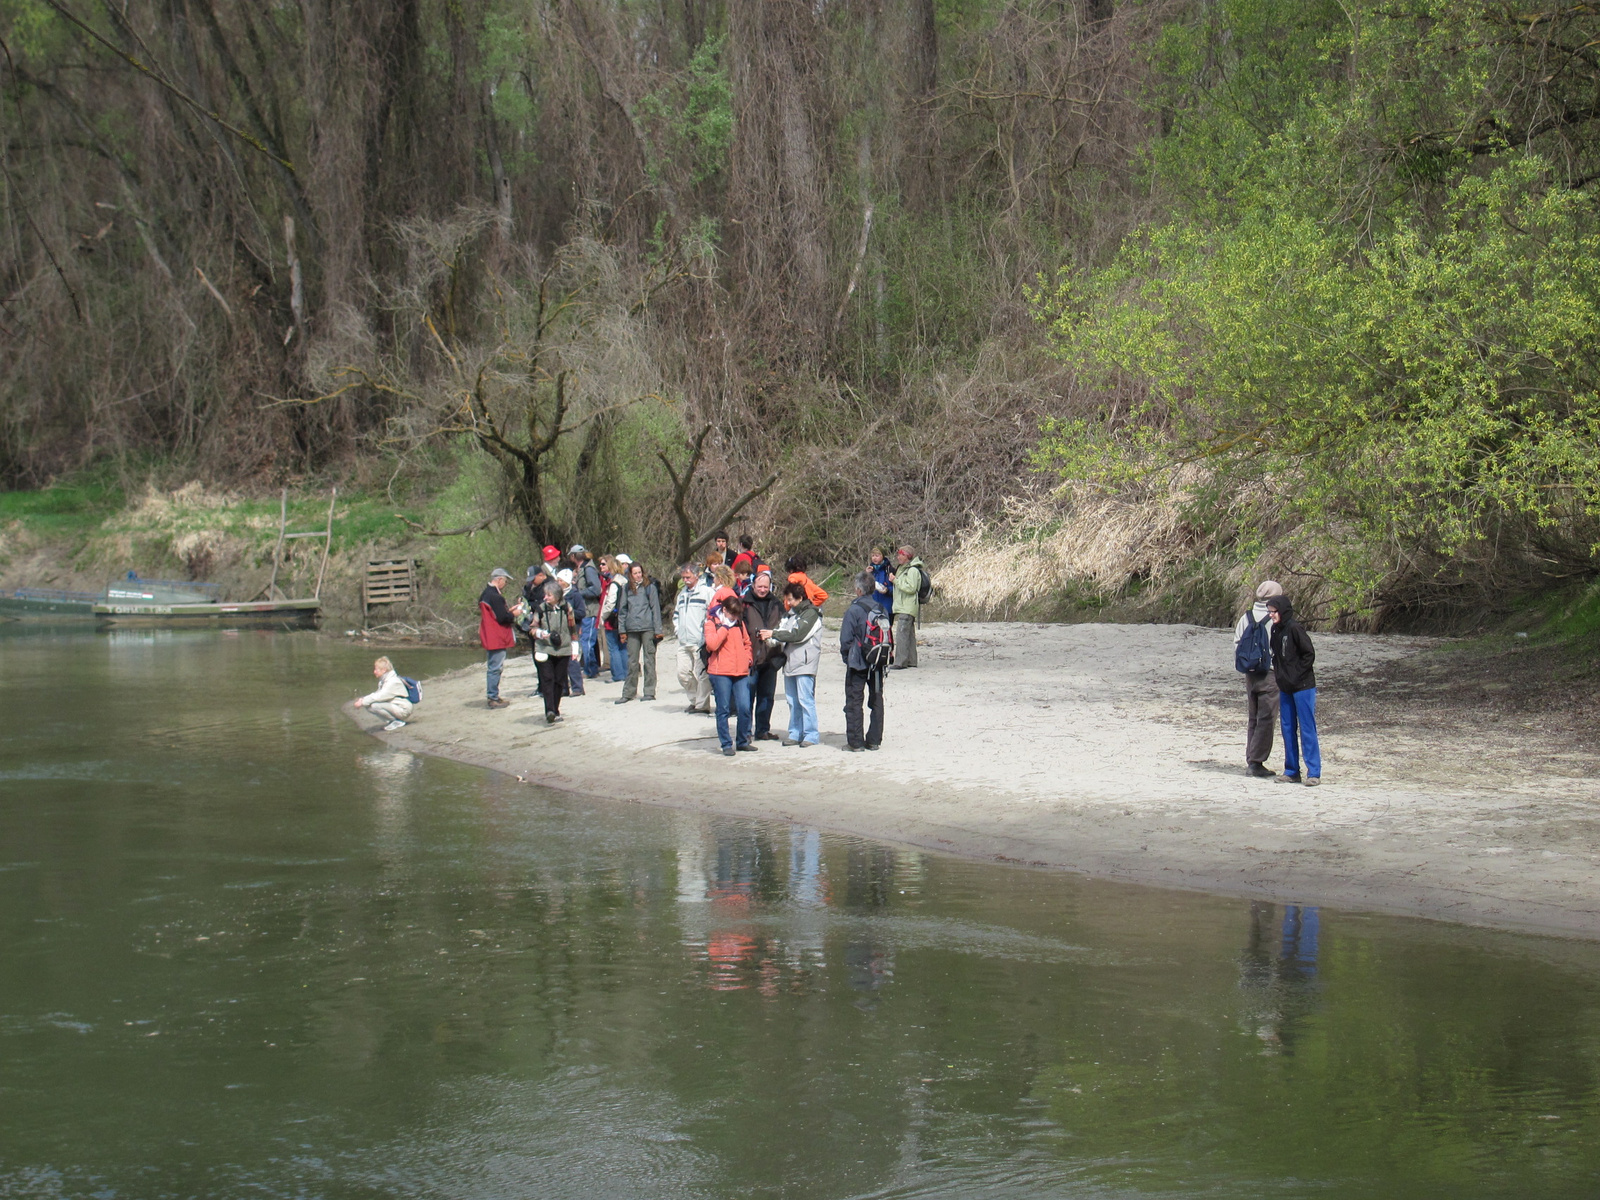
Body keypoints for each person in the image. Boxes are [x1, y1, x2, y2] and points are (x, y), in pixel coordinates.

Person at [1266, 594, 1320, 786]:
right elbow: (1276, 656)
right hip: (1285, 686)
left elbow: (1309, 654)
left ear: (1282, 611)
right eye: (1269, 612)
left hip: (1303, 686)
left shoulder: (1295, 628)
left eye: (1274, 612)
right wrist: (1281, 676)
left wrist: (1296, 675)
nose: (1271, 615)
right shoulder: (1275, 630)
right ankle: (1291, 771)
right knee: (1287, 728)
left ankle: (1313, 772)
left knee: (1307, 728)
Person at [764, 581, 822, 747]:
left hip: (805, 663)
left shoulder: (812, 614)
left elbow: (798, 635)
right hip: (790, 663)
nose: (788, 603)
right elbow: (781, 633)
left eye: (791, 599)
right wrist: (769, 638)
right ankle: (795, 732)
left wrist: (774, 633)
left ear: (800, 598)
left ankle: (811, 734)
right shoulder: (790, 614)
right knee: (792, 700)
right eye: (787, 599)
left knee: (805, 700)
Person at [1235, 581, 1283, 778]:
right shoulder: (1274, 619)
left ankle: (1251, 757)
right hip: (1269, 673)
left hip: (1250, 673)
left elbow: (1237, 644)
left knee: (1253, 717)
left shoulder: (1245, 617)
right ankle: (1256, 762)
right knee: (1266, 718)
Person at [839, 570, 889, 751]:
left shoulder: (853, 610)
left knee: (854, 701)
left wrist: (847, 657)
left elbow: (845, 640)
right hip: (877, 660)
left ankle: (856, 742)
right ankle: (874, 740)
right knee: (876, 700)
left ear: (858, 590)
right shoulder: (881, 608)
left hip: (858, 662)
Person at [704, 593, 755, 755]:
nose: (734, 617)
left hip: (740, 670)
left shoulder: (739, 623)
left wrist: (748, 659)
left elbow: (747, 642)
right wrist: (725, 627)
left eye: (737, 614)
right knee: (723, 709)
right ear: (724, 610)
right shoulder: (711, 623)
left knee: (744, 707)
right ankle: (726, 744)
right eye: (732, 613)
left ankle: (742, 741)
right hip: (720, 672)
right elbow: (712, 644)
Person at [741, 568, 785, 740]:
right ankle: (745, 731)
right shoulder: (744, 603)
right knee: (747, 699)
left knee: (767, 697)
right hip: (751, 657)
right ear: (753, 585)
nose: (762, 589)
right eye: (759, 586)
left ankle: (762, 730)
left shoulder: (777, 604)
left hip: (771, 657)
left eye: (765, 587)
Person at [530, 579, 577, 724]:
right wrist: (539, 633)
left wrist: (575, 647)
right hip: (544, 648)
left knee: (559, 681)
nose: (545, 598)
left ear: (557, 596)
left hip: (563, 649)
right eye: (545, 595)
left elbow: (572, 629)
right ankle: (549, 710)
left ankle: (555, 709)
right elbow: (532, 628)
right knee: (547, 679)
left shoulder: (567, 608)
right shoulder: (541, 609)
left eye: (548, 595)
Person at [615, 560, 663, 703]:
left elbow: (655, 609)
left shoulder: (650, 588)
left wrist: (658, 630)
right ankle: (628, 692)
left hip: (648, 628)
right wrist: (622, 630)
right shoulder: (625, 589)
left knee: (649, 660)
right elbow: (622, 610)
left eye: (639, 572)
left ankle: (649, 691)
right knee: (632, 662)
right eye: (635, 573)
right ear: (630, 574)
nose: (638, 575)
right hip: (632, 628)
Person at [673, 562, 714, 714]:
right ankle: (694, 699)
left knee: (702, 674)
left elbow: (712, 614)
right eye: (683, 577)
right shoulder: (682, 594)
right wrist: (677, 630)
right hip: (684, 641)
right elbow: (676, 615)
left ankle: (702, 705)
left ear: (697, 575)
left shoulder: (706, 592)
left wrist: (706, 635)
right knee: (682, 673)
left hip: (699, 641)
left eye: (688, 577)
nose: (685, 580)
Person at [478, 567, 522, 709]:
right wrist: (515, 613)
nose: (505, 584)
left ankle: (493, 695)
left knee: (493, 666)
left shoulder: (486, 594)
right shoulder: (496, 597)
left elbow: (496, 614)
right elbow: (503, 618)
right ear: (499, 579)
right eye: (505, 581)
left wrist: (508, 611)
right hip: (496, 636)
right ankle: (493, 697)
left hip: (489, 634)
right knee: (495, 668)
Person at [354, 656, 413, 731]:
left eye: (376, 669)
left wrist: (362, 702)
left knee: (374, 705)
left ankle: (396, 721)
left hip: (403, 709)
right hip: (397, 706)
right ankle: (392, 721)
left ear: (384, 670)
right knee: (369, 705)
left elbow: (380, 696)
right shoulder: (384, 681)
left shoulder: (392, 682)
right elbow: (378, 694)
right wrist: (363, 700)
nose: (374, 672)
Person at [890, 545, 925, 669]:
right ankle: (911, 660)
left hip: (907, 606)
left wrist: (895, 580)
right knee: (909, 634)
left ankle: (900, 662)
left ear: (907, 556)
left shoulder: (912, 571)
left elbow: (911, 588)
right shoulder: (904, 568)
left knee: (902, 634)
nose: (898, 557)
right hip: (906, 606)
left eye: (901, 554)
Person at [572, 545, 603, 679]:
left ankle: (591, 670)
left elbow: (596, 589)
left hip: (590, 611)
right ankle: (591, 668)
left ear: (573, 556)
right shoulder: (581, 569)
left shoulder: (589, 569)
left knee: (587, 641)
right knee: (585, 641)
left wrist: (579, 593)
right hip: (583, 611)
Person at [600, 554, 630, 683]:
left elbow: (610, 603)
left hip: (613, 620)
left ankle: (618, 674)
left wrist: (603, 616)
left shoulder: (614, 584)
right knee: (623, 646)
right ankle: (627, 672)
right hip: (624, 618)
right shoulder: (625, 581)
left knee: (613, 647)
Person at [557, 568, 587, 697]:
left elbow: (582, 612)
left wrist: (569, 611)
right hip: (558, 630)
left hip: (572, 629)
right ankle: (563, 688)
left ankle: (577, 687)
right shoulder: (555, 595)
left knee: (572, 659)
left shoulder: (575, 595)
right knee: (560, 659)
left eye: (560, 580)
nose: (557, 582)